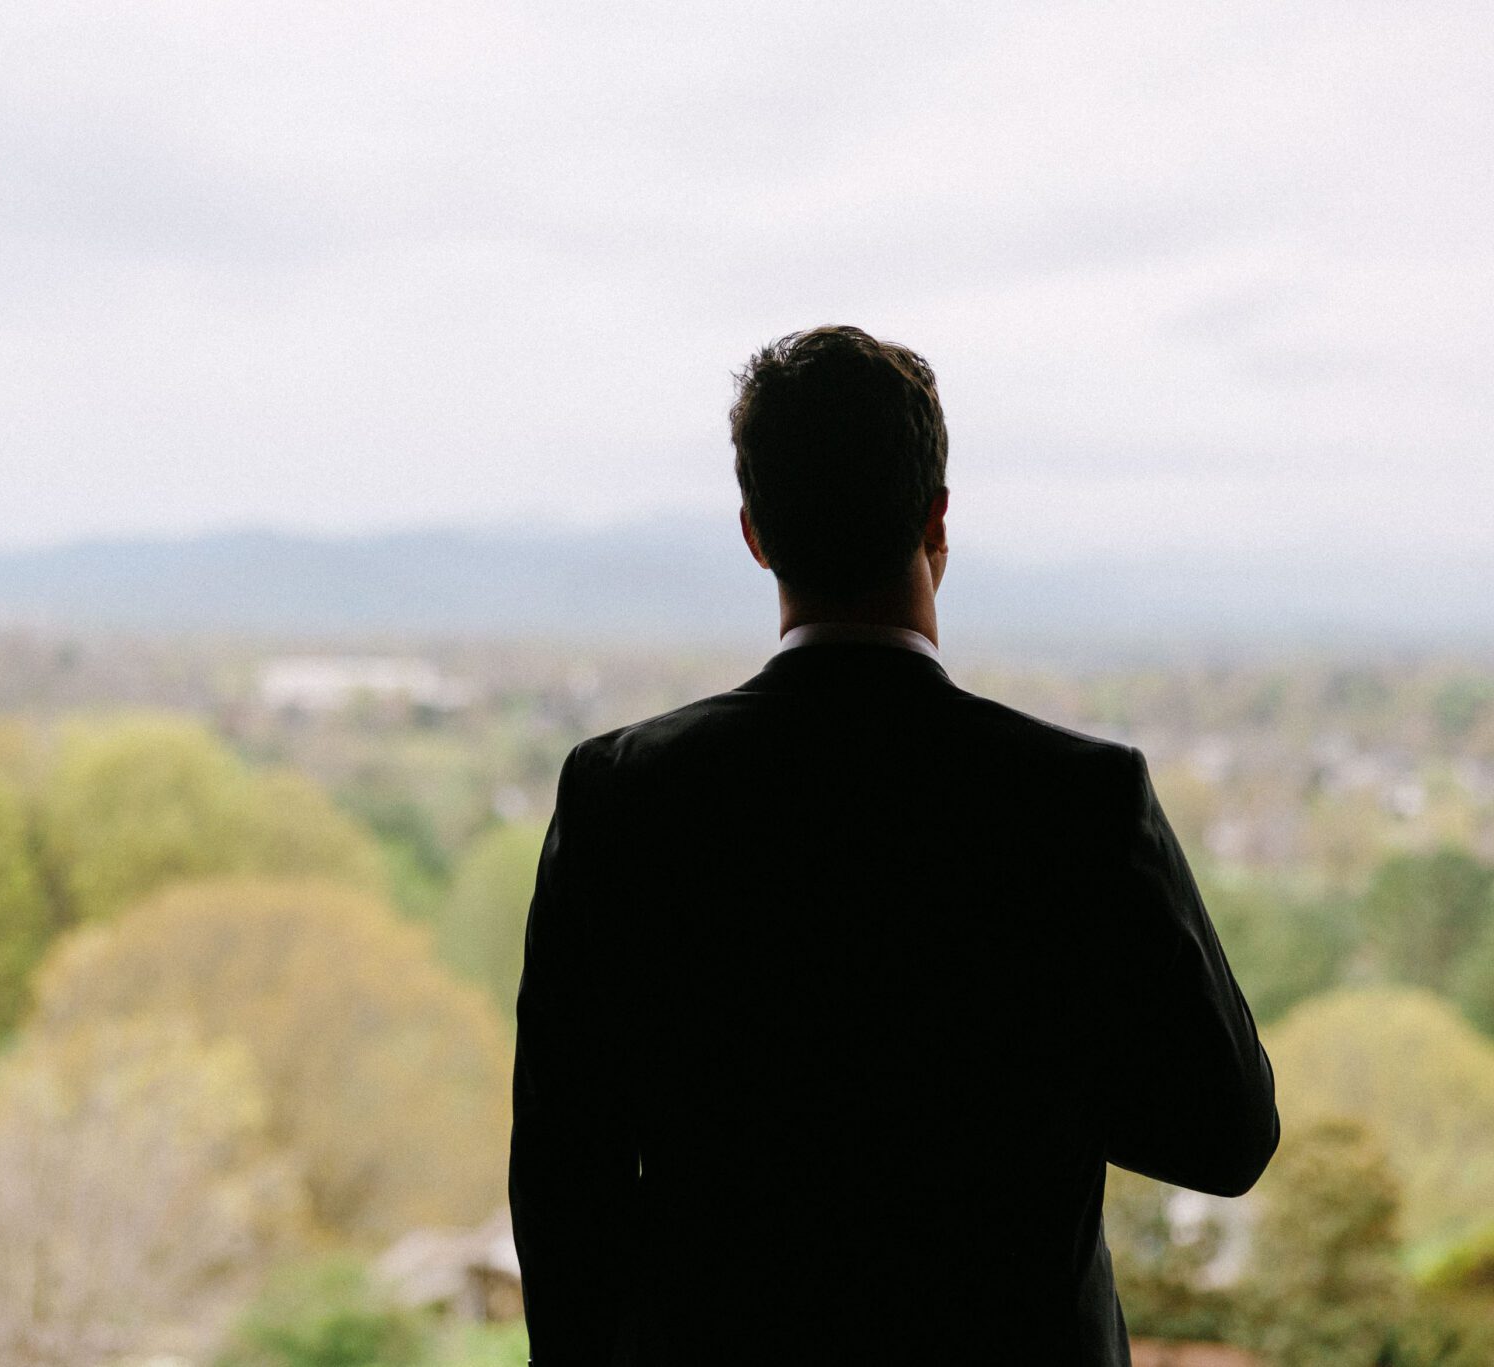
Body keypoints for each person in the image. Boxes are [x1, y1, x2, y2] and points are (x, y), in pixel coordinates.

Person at [508, 325, 1279, 1365]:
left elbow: (565, 1184)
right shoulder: (1074, 802)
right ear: (936, 520)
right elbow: (1226, 1135)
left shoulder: (625, 797)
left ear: (755, 533)